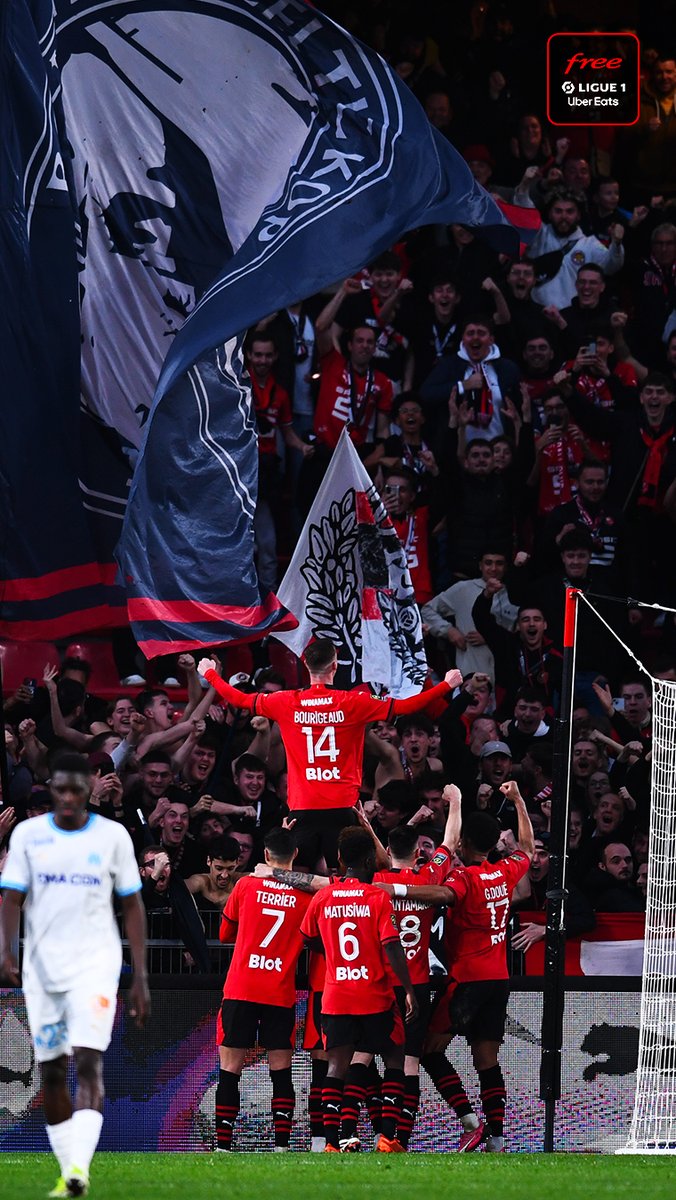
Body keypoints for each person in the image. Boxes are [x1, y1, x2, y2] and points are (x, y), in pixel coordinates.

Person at [0, 752, 149, 1198]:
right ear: (50, 789)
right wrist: (6, 951)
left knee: (88, 1060)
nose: (67, 797)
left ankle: (79, 1169)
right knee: (50, 1071)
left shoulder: (113, 836)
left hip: (95, 965)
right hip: (42, 969)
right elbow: (10, 898)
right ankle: (69, 1169)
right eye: (59, 789)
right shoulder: (28, 835)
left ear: (89, 789)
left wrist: (140, 975)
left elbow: (132, 904)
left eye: (75, 789)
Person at [198, 643, 462, 869]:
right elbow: (406, 705)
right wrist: (447, 685)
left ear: (305, 664)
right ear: (335, 666)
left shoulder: (284, 701)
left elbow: (239, 699)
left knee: (295, 877)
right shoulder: (355, 701)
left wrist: (210, 673)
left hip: (302, 808)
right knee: (348, 878)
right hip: (343, 808)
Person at [378, 780, 534, 1153]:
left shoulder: (464, 878)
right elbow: (527, 848)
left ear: (464, 845)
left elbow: (444, 894)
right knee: (487, 1061)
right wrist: (518, 801)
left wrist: (397, 890)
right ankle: (495, 1139)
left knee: (427, 1051)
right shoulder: (506, 871)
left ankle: (470, 1122)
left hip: (466, 981)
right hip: (499, 979)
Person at [300, 826, 418, 1153]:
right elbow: (392, 946)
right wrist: (407, 989)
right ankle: (388, 1137)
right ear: (369, 860)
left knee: (336, 1068)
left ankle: (332, 1142)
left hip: (336, 994)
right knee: (395, 1058)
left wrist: (333, 953)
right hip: (375, 994)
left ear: (339, 859)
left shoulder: (323, 896)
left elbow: (307, 936)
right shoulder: (377, 897)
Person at [214, 827, 313, 1151]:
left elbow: (225, 934)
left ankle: (224, 1145)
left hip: (242, 987)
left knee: (230, 1071)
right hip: (278, 992)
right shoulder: (305, 896)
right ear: (294, 855)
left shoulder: (245, 885)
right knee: (281, 1073)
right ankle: (281, 1145)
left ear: (266, 856)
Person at [528, 190, 624, 310]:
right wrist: (524, 187)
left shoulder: (591, 244)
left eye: (570, 211)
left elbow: (612, 266)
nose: (563, 216)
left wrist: (617, 243)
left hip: (569, 316)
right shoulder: (539, 234)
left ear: (578, 215)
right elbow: (525, 212)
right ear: (550, 214)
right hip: (535, 311)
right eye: (558, 211)